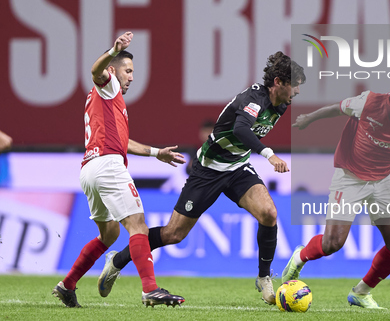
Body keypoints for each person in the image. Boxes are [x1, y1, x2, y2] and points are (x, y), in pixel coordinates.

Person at [98, 52, 306, 305]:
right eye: (294, 86)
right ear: (278, 82)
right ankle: (117, 260)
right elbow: (241, 129)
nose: (296, 92)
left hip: (238, 167)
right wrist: (269, 155)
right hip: (208, 170)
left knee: (269, 214)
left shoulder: (282, 104)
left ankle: (263, 278)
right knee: (173, 234)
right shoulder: (253, 99)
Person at [282, 68, 390, 309]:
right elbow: (337, 108)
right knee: (332, 243)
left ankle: (361, 292)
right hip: (350, 174)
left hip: (384, 179)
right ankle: (301, 256)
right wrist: (308, 118)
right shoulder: (369, 101)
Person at [52, 32, 186, 308]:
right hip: (109, 166)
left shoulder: (103, 101)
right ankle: (150, 289)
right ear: (114, 69)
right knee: (137, 225)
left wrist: (155, 152)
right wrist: (114, 50)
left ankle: (67, 284)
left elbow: (123, 141)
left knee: (110, 234)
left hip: (90, 169)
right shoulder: (108, 83)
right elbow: (95, 71)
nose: (132, 77)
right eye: (129, 70)